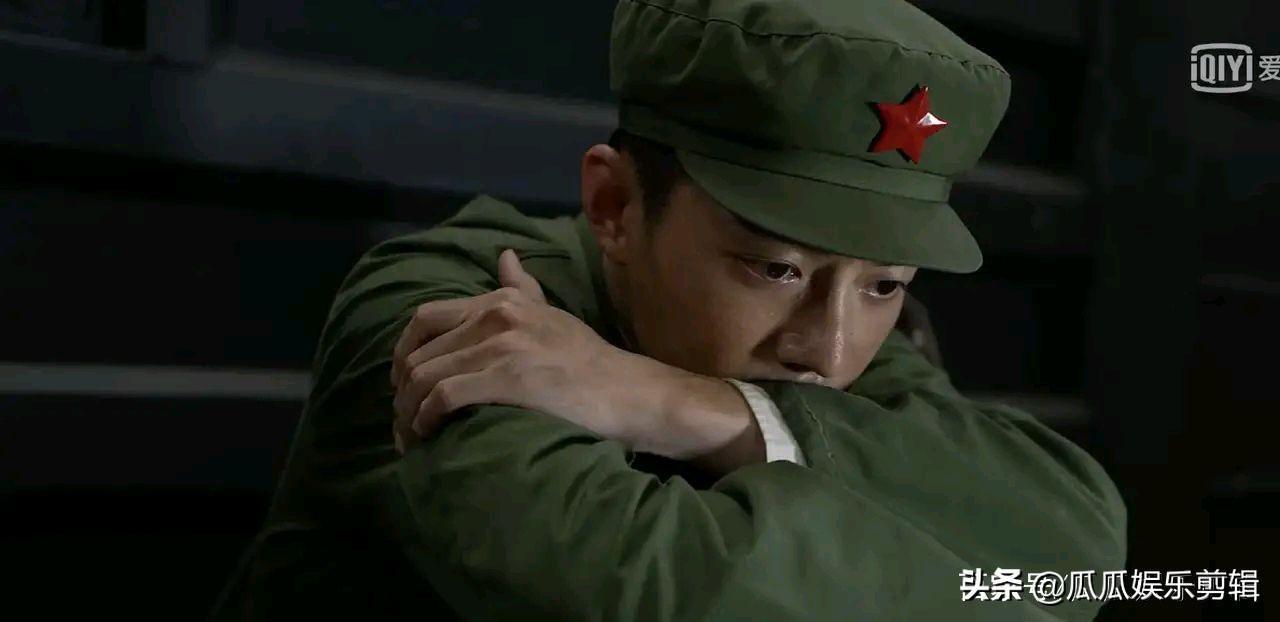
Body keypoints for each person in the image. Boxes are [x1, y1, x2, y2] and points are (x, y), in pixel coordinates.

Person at [213, 0, 1127, 619]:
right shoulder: (458, 309)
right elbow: (649, 588)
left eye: (886, 284)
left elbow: (1075, 546)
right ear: (614, 206)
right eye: (774, 267)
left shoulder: (823, 338)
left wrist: (677, 403)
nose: (830, 348)